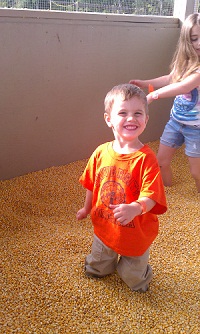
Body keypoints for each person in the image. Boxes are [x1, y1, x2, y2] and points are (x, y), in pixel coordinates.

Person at [76, 83, 167, 293]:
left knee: (132, 277)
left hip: (136, 233)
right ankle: (99, 268)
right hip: (104, 226)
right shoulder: (100, 152)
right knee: (98, 265)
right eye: (123, 112)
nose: (131, 118)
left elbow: (152, 195)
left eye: (138, 113)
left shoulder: (147, 158)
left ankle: (143, 274)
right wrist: (86, 208)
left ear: (146, 119)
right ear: (109, 119)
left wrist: (136, 207)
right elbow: (91, 184)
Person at [129, 13, 200, 193]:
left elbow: (184, 87)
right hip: (175, 123)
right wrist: (147, 84)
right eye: (194, 39)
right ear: (186, 41)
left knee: (196, 172)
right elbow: (170, 79)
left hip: (196, 128)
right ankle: (168, 191)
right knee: (162, 162)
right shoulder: (184, 63)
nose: (199, 43)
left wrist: (154, 95)